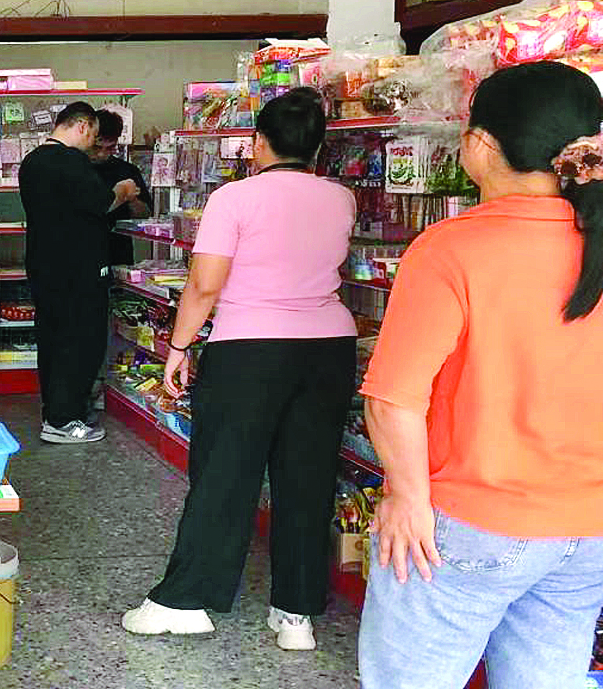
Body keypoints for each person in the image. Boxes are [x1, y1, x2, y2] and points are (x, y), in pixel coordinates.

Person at [353, 62, 603, 689]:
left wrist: (406, 496)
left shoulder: (453, 247)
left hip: (468, 525)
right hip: (593, 527)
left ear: (479, 144)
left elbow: (392, 397)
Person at [123, 88, 357, 651]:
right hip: (328, 346)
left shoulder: (234, 198)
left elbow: (205, 284)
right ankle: (296, 613)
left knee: (226, 473)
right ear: (318, 147)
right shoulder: (341, 198)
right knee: (308, 477)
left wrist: (178, 346)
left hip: (250, 347)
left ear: (258, 143)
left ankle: (186, 600)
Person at [19, 102, 136, 444]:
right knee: (80, 342)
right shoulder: (70, 161)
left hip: (45, 266)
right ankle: (65, 419)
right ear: (83, 126)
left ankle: (54, 412)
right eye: (94, 135)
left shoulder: (33, 161)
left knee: (53, 341)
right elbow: (101, 202)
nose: (93, 144)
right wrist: (124, 190)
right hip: (78, 270)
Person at [91, 107, 153, 266]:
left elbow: (145, 214)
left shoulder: (127, 171)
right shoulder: (76, 168)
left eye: (109, 148)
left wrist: (132, 200)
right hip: (83, 252)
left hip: (118, 254)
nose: (102, 154)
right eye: (97, 147)